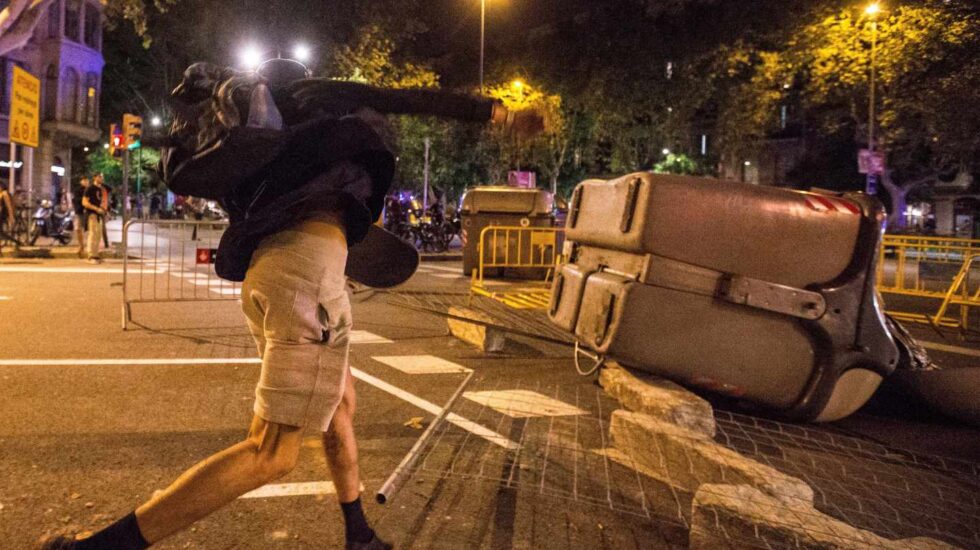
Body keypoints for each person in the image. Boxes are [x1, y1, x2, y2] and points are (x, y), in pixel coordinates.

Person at [40, 58, 543, 550]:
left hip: (271, 275)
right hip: (308, 279)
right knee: (271, 455)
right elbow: (403, 98)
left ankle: (359, 534)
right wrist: (496, 114)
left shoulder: (252, 148)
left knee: (339, 407)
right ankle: (103, 546)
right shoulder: (312, 100)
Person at [81, 174, 107, 263]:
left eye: (102, 177)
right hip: (91, 214)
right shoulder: (89, 188)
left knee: (98, 234)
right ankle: (91, 255)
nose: (102, 179)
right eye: (99, 177)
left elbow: (101, 201)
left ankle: (96, 254)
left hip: (99, 214)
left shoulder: (100, 189)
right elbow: (84, 202)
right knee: (93, 234)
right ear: (95, 177)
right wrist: (96, 209)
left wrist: (103, 209)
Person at [72, 178, 90, 258]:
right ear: (81, 181)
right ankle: (81, 246)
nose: (85, 182)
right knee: (78, 229)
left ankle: (89, 247)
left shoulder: (90, 189)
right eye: (84, 180)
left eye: (87, 181)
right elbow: (76, 200)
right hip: (79, 212)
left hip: (89, 213)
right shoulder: (77, 190)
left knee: (90, 231)